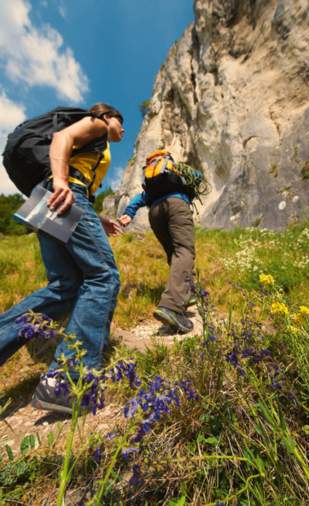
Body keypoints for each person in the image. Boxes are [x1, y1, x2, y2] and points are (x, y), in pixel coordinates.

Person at [0, 103, 124, 414]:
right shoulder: (97, 125)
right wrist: (61, 182)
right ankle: (68, 380)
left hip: (46, 197)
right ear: (108, 116)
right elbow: (61, 140)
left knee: (64, 287)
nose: (122, 131)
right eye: (121, 123)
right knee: (103, 276)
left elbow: (76, 167)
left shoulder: (95, 143)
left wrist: (99, 219)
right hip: (63, 192)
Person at [119, 149, 198, 334]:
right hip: (177, 205)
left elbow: (140, 198)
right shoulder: (175, 170)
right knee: (184, 251)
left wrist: (128, 214)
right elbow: (197, 177)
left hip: (155, 212)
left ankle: (186, 292)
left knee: (174, 254)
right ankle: (172, 306)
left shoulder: (151, 180)